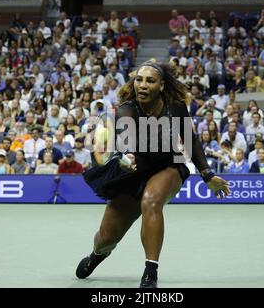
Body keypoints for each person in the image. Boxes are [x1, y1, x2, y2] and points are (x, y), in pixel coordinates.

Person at [76, 61, 230, 288]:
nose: (143, 85)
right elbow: (123, 141)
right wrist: (125, 158)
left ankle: (150, 273)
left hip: (168, 166)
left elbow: (190, 140)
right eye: (139, 79)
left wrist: (207, 175)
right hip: (134, 172)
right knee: (106, 238)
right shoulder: (127, 110)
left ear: (161, 85)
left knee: (151, 202)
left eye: (150, 80)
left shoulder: (175, 107)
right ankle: (97, 255)